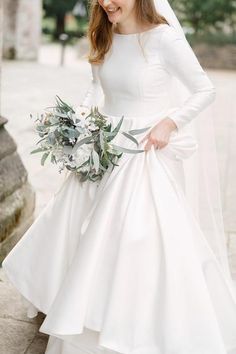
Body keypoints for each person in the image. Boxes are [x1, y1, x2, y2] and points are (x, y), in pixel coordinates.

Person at [2, 0, 236, 353]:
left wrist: (169, 123)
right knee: (76, 231)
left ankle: (126, 324)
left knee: (129, 241)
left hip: (142, 155)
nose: (105, 3)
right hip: (101, 149)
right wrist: (78, 120)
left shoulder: (163, 40)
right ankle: (74, 303)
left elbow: (205, 90)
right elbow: (96, 87)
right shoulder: (105, 33)